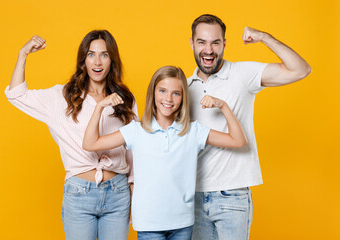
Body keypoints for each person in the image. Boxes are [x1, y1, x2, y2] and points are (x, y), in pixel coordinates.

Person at [82, 66, 248, 240]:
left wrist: (223, 106)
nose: (168, 99)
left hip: (182, 223)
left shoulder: (193, 131)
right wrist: (100, 107)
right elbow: (90, 143)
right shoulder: (136, 130)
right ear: (153, 93)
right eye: (162, 91)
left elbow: (238, 140)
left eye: (176, 93)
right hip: (149, 223)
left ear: (183, 97)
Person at [187, 14, 312, 240]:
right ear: (191, 44)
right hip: (194, 196)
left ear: (224, 44)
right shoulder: (183, 89)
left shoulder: (242, 74)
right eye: (202, 42)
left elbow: (301, 69)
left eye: (215, 42)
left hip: (232, 195)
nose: (209, 50)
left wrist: (264, 37)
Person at [5, 30, 138, 240]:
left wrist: (132, 186)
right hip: (79, 194)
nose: (97, 61)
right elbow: (16, 94)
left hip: (117, 193)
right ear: (83, 59)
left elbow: (132, 148)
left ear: (112, 60)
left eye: (104, 55)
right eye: (91, 54)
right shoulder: (62, 96)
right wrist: (23, 54)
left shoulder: (124, 99)